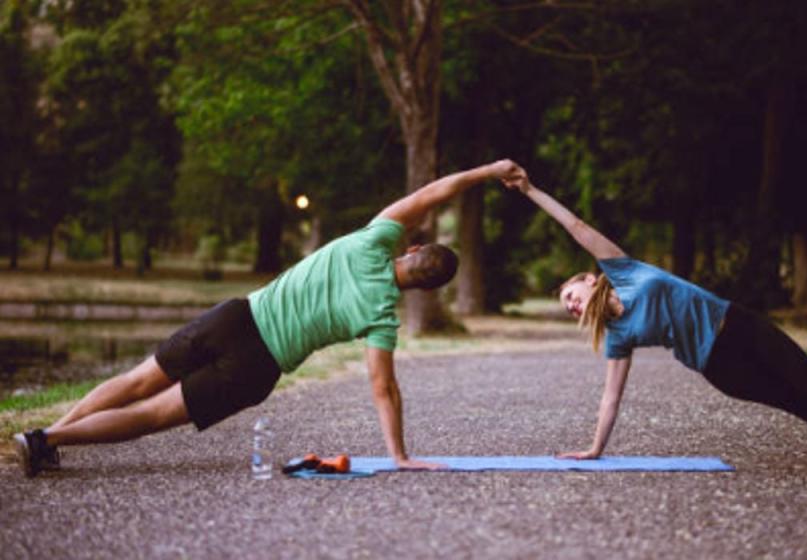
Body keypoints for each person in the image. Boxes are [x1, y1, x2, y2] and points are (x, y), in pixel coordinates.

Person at [14, 159, 522, 478]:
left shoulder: (375, 237)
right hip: (257, 365)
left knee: (136, 379)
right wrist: (401, 455)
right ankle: (47, 440)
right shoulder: (382, 317)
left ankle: (45, 435)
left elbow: (432, 192)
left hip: (236, 316)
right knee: (150, 415)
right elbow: (383, 388)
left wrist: (488, 171)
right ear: (425, 292)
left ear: (411, 247)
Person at [501, 165, 807, 472]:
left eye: (572, 296)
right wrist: (595, 448)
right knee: (804, 407)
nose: (573, 306)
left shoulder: (623, 269)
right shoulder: (617, 336)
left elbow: (574, 225)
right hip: (721, 369)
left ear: (590, 280)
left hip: (741, 327)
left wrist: (529, 190)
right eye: (568, 308)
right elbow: (611, 397)